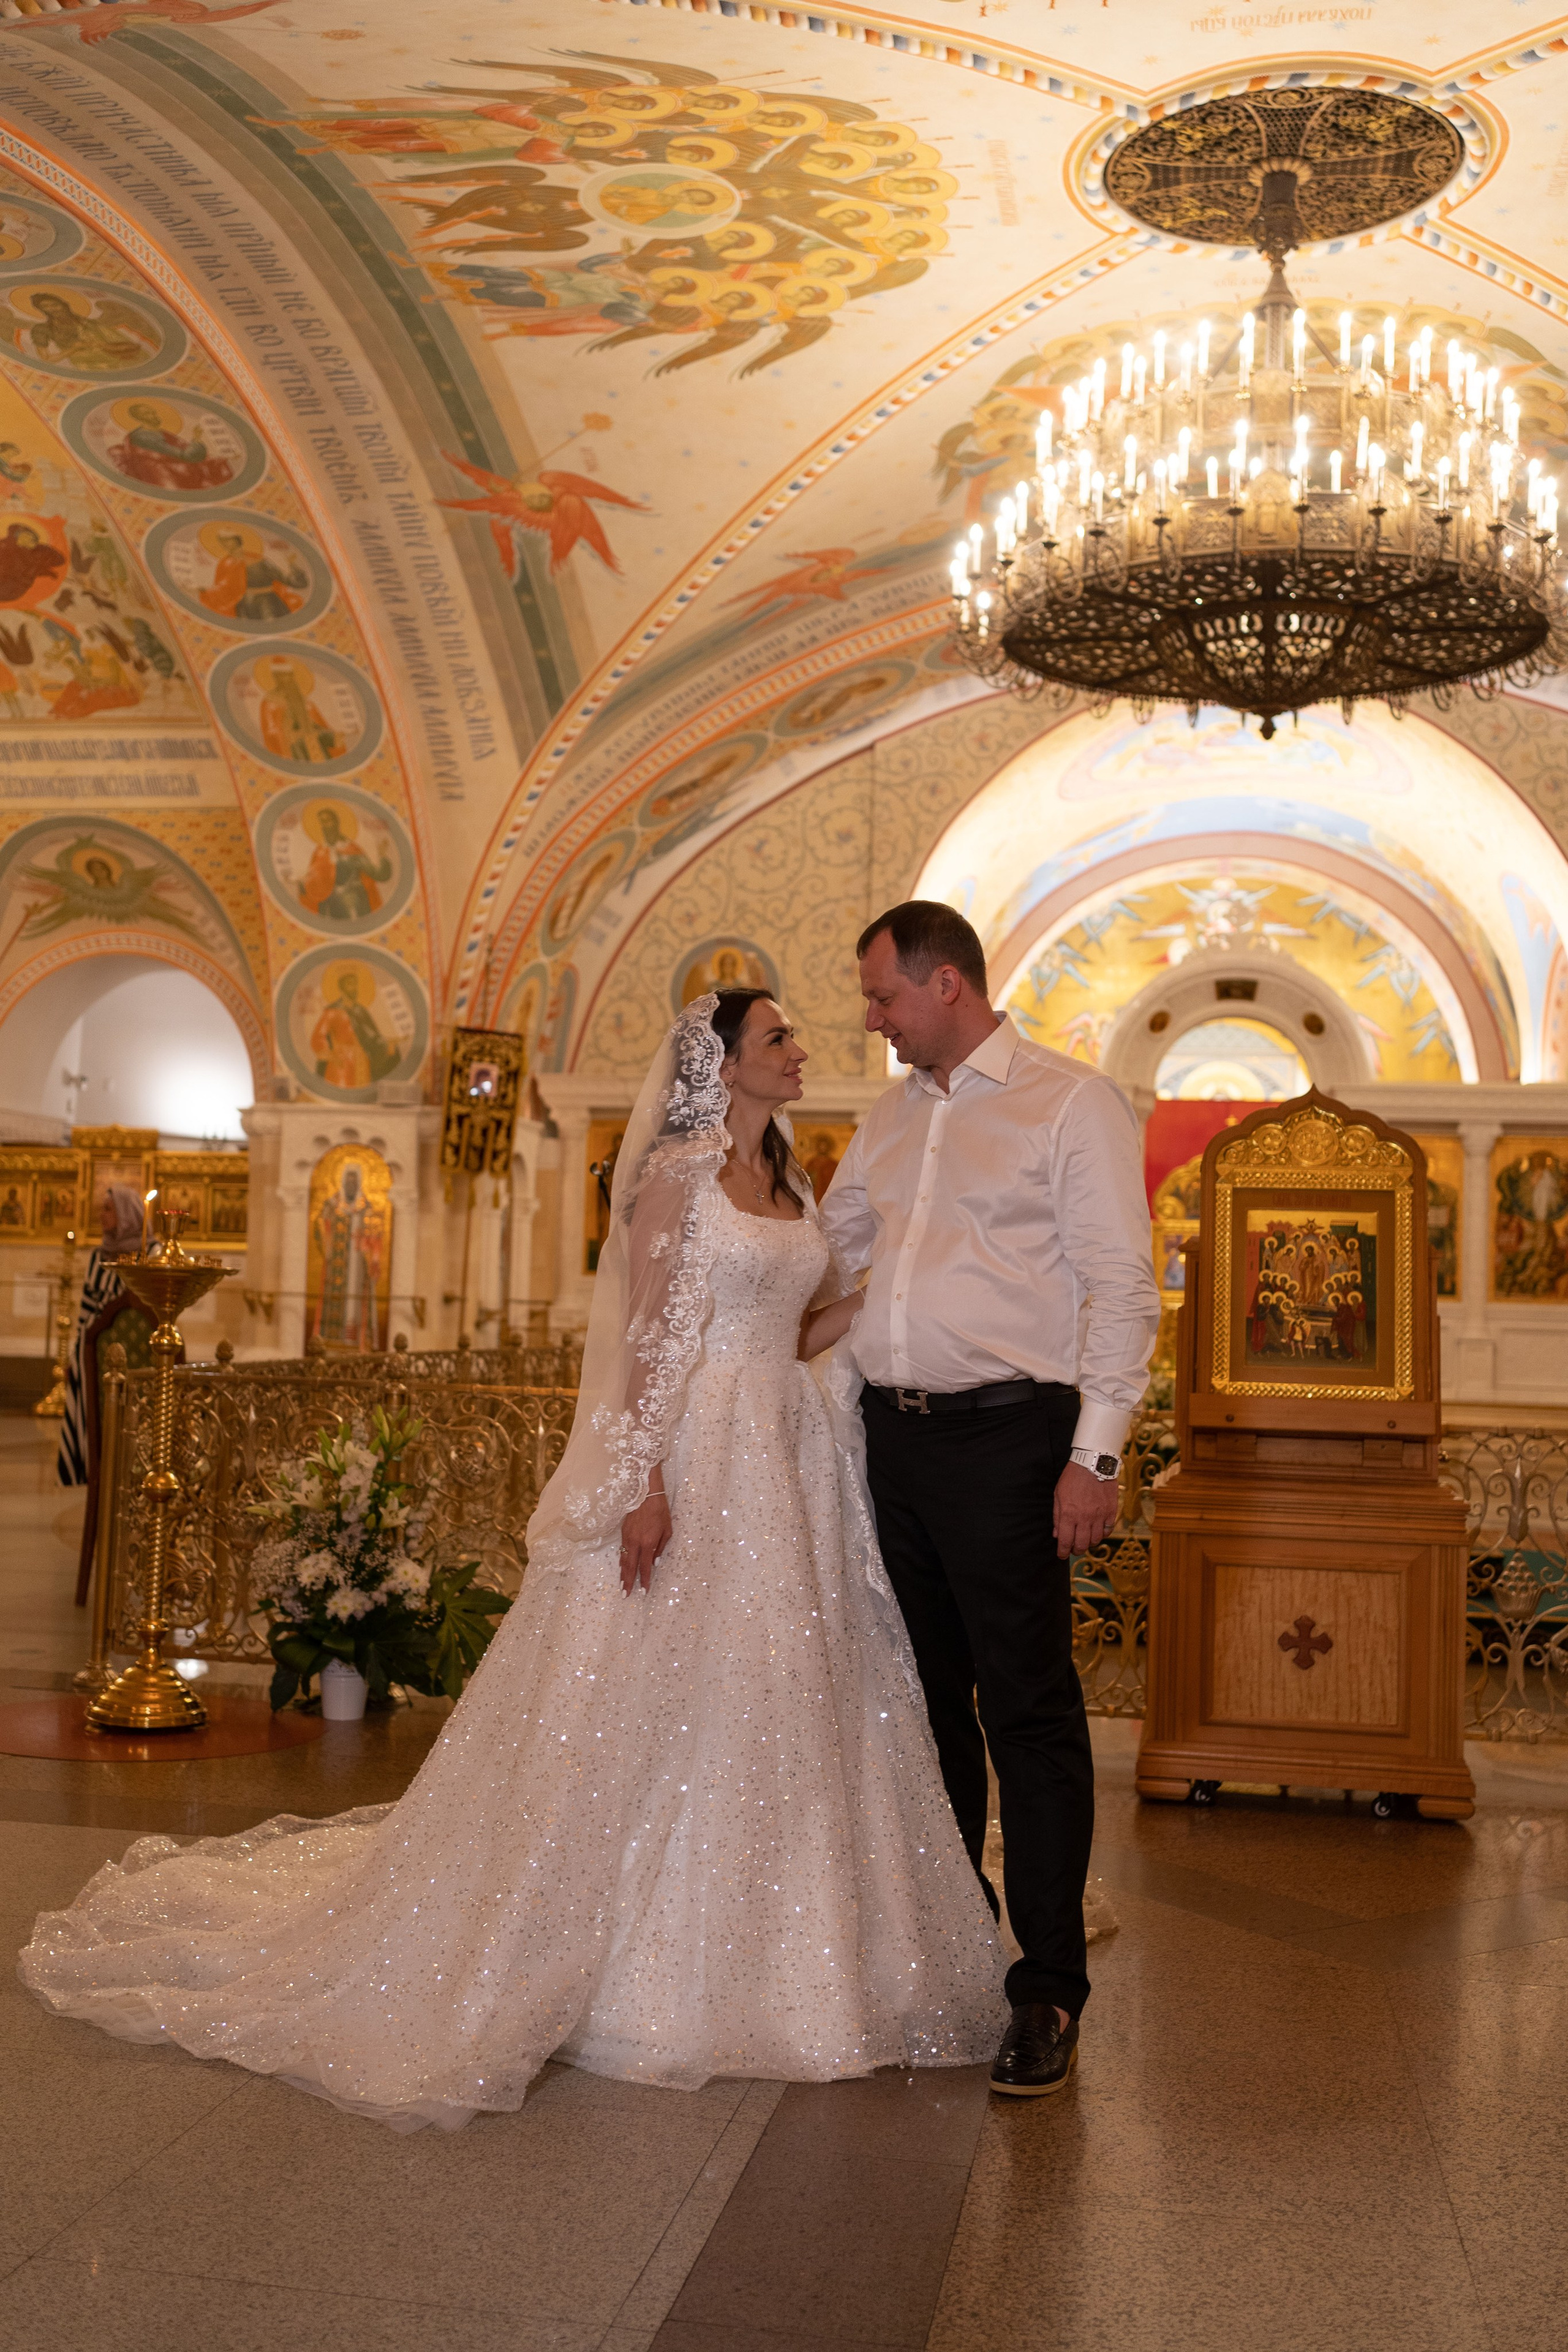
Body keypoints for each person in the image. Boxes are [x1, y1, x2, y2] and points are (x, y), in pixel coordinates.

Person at [20, 990, 1008, 2127]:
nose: (799, 1053)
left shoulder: (788, 1184)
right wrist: (643, 1485)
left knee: (782, 1685)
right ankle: (632, 1953)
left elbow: (789, 1333)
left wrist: (889, 1295)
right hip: (694, 1451)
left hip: (785, 1455)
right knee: (664, 1686)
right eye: (778, 1039)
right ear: (724, 1065)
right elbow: (645, 1347)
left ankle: (802, 1941)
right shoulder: (676, 1182)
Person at [821, 902, 1159, 2098]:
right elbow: (832, 1252)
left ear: (946, 983)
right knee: (921, 1710)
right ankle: (954, 1946)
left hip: (1012, 1441)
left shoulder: (1068, 1103)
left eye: (882, 999)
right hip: (888, 1443)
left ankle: (1045, 1989)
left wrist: (1097, 1455)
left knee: (1026, 1711)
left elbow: (1122, 1288)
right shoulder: (889, 1115)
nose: (871, 1021)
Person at [55, 1184, 145, 1490]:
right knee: (91, 1424)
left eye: (108, 1209)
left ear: (126, 1213)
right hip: (93, 1355)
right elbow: (86, 1311)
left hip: (138, 1360)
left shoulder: (151, 1253)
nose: (102, 1215)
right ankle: (95, 1477)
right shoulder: (99, 1256)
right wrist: (73, 1357)